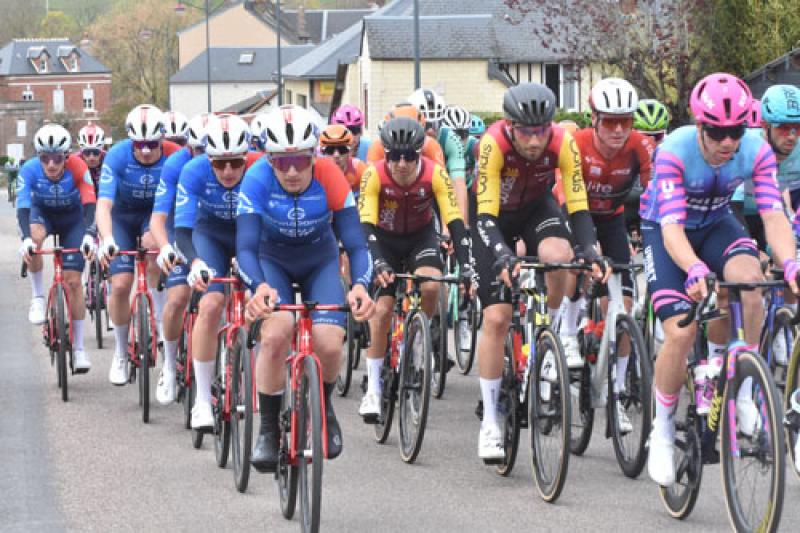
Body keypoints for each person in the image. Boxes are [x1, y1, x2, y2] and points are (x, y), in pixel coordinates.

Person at [640, 73, 799, 486]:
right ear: (700, 125)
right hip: (666, 230)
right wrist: (695, 268)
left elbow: (773, 215)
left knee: (752, 283)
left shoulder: (756, 150)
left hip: (715, 223)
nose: (727, 142)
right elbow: (672, 229)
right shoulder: (673, 151)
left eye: (736, 131)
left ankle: (742, 390)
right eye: (717, 132)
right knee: (680, 331)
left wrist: (790, 263)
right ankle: (661, 427)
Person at [472, 82, 609, 460]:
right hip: (493, 219)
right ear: (510, 126)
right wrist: (502, 255)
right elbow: (485, 216)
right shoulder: (493, 143)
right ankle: (491, 423)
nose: (534, 140)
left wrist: (588, 250)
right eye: (526, 131)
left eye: (541, 130)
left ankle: (549, 332)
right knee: (497, 318)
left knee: (561, 255)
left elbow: (578, 206)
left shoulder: (563, 142)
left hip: (536, 209)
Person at [236, 105, 375, 472]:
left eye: (300, 159)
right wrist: (258, 286)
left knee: (329, 342)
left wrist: (360, 286)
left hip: (319, 261)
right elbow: (245, 248)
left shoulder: (330, 175)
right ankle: (268, 429)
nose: (292, 171)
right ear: (269, 159)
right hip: (272, 261)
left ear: (314, 154)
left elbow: (356, 244)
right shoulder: (255, 179)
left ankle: (324, 407)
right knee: (275, 333)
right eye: (282, 162)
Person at [356, 117, 474, 422]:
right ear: (386, 154)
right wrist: (378, 261)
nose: (402, 163)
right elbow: (365, 224)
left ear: (420, 153)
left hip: (420, 239)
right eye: (394, 156)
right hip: (383, 241)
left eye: (409, 156)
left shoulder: (435, 174)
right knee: (382, 311)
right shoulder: (374, 175)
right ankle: (373, 387)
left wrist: (467, 265)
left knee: (432, 285)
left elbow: (455, 221)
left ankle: (421, 338)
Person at [172, 114, 257, 429]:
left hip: (250, 233)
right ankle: (202, 400)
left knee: (260, 302)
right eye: (220, 164)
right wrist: (195, 263)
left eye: (236, 162)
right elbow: (182, 231)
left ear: (247, 156)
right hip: (210, 236)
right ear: (208, 159)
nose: (229, 171)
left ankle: (256, 375)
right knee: (210, 304)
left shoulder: (261, 169)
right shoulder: (193, 171)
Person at [97, 104, 181, 385]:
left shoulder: (173, 155)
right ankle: (121, 351)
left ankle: (159, 322)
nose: (145, 151)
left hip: (155, 214)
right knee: (121, 284)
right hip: (122, 216)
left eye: (152, 144)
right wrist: (107, 239)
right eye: (139, 145)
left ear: (162, 140)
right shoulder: (117, 155)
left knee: (154, 252)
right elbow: (103, 204)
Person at [17, 124, 96, 371]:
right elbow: (23, 207)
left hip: (72, 219)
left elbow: (90, 202)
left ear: (67, 156)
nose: (51, 164)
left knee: (74, 282)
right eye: (45, 158)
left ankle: (79, 348)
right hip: (43, 215)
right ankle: (38, 297)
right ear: (38, 157)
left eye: (57, 158)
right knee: (34, 239)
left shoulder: (78, 167)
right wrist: (26, 240)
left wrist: (90, 234)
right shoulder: (29, 170)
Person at [149, 112, 211, 404]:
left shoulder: (231, 164)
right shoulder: (176, 164)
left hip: (212, 231)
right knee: (177, 298)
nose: (205, 158)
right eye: (198, 151)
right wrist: (164, 246)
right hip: (181, 227)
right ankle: (169, 365)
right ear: (188, 147)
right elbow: (159, 216)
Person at [408, 89, 469, 219]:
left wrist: (461, 225)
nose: (431, 131)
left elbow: (458, 183)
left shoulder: (450, 139)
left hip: (439, 189)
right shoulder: (401, 138)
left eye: (435, 124)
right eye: (426, 125)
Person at [319, 124, 367, 195]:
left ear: (349, 150)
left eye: (342, 149)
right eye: (330, 149)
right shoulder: (316, 173)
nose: (336, 155)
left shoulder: (359, 169)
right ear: (322, 152)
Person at [77, 123, 106, 195]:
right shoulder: (76, 160)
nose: (91, 157)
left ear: (101, 151)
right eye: (87, 153)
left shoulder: (109, 159)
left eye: (96, 152)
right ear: (82, 152)